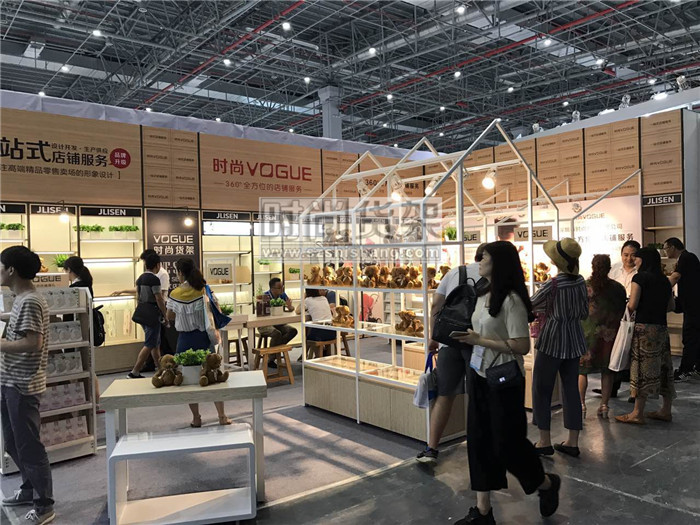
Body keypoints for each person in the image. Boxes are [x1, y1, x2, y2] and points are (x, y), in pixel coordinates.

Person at [452, 241, 559, 524]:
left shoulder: (511, 300)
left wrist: (480, 340)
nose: (479, 261)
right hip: (478, 374)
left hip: (503, 380)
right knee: (479, 440)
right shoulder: (481, 293)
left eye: (483, 257)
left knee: (507, 445)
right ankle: (483, 511)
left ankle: (546, 484)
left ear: (498, 262)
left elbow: (522, 345)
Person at [417, 242, 487, 464]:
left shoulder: (455, 272)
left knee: (444, 395)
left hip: (449, 341)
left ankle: (431, 448)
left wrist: (433, 337)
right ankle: (479, 448)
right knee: (478, 396)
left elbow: (436, 306)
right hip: (478, 343)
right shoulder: (492, 276)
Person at [0, 246, 55, 525]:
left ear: (11, 270)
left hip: (23, 384)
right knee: (13, 442)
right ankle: (29, 488)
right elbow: (22, 327)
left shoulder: (30, 301)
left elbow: (34, 342)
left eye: (0, 266)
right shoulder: (22, 299)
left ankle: (44, 504)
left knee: (29, 446)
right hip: (11, 380)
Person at [531, 238, 588, 458]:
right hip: (574, 339)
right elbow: (584, 312)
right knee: (571, 389)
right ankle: (572, 441)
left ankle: (544, 440)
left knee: (542, 389)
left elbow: (531, 304)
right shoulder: (580, 281)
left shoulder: (552, 284)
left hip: (552, 340)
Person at [166, 258, 231, 427]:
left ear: (180, 273)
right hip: (204, 338)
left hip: (184, 340)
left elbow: (169, 316)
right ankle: (222, 416)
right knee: (213, 375)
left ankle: (196, 418)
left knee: (188, 381)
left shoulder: (175, 294)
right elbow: (217, 309)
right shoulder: (204, 289)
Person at [616, 247, 675, 425]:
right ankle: (666, 410)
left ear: (644, 260)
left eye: (637, 258)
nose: (635, 261)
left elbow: (632, 304)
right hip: (661, 329)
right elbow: (671, 306)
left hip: (643, 329)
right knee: (664, 368)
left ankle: (637, 413)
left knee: (641, 370)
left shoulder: (640, 278)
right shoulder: (665, 281)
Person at [578, 255, 626, 419]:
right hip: (609, 335)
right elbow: (622, 310)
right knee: (607, 371)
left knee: (582, 370)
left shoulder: (584, 287)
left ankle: (581, 405)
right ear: (609, 268)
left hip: (587, 333)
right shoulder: (618, 288)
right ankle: (604, 405)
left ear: (593, 267)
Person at [115, 252, 167, 379]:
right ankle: (135, 371)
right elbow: (159, 298)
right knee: (150, 344)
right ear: (157, 265)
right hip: (152, 315)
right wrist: (165, 314)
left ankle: (160, 370)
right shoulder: (154, 279)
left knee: (155, 344)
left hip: (142, 313)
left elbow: (139, 295)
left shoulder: (140, 278)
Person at [62, 256, 102, 412]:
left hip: (75, 333)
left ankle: (84, 402)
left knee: (81, 368)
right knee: (89, 367)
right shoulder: (87, 285)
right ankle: (95, 402)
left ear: (69, 270)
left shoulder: (75, 288)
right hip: (87, 331)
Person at [663, 238, 700, 381]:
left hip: (693, 306)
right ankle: (696, 368)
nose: (665, 252)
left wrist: (660, 289)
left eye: (666, 248)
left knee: (689, 337)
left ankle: (686, 370)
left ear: (673, 247)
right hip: (692, 305)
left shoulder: (686, 257)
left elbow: (675, 277)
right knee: (694, 337)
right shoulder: (688, 258)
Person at [260, 278, 297, 367]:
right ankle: (271, 359)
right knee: (276, 333)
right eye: (279, 288)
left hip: (279, 323)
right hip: (264, 324)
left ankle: (274, 351)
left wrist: (290, 306)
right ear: (272, 289)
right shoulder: (265, 296)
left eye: (282, 287)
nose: (282, 289)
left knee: (292, 331)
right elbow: (260, 312)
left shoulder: (283, 295)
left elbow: (291, 309)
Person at [296, 289, 335, 357]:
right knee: (311, 332)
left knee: (308, 337)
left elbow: (297, 311)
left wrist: (303, 298)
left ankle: (316, 356)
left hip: (319, 333)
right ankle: (322, 354)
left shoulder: (308, 300)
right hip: (332, 332)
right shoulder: (324, 298)